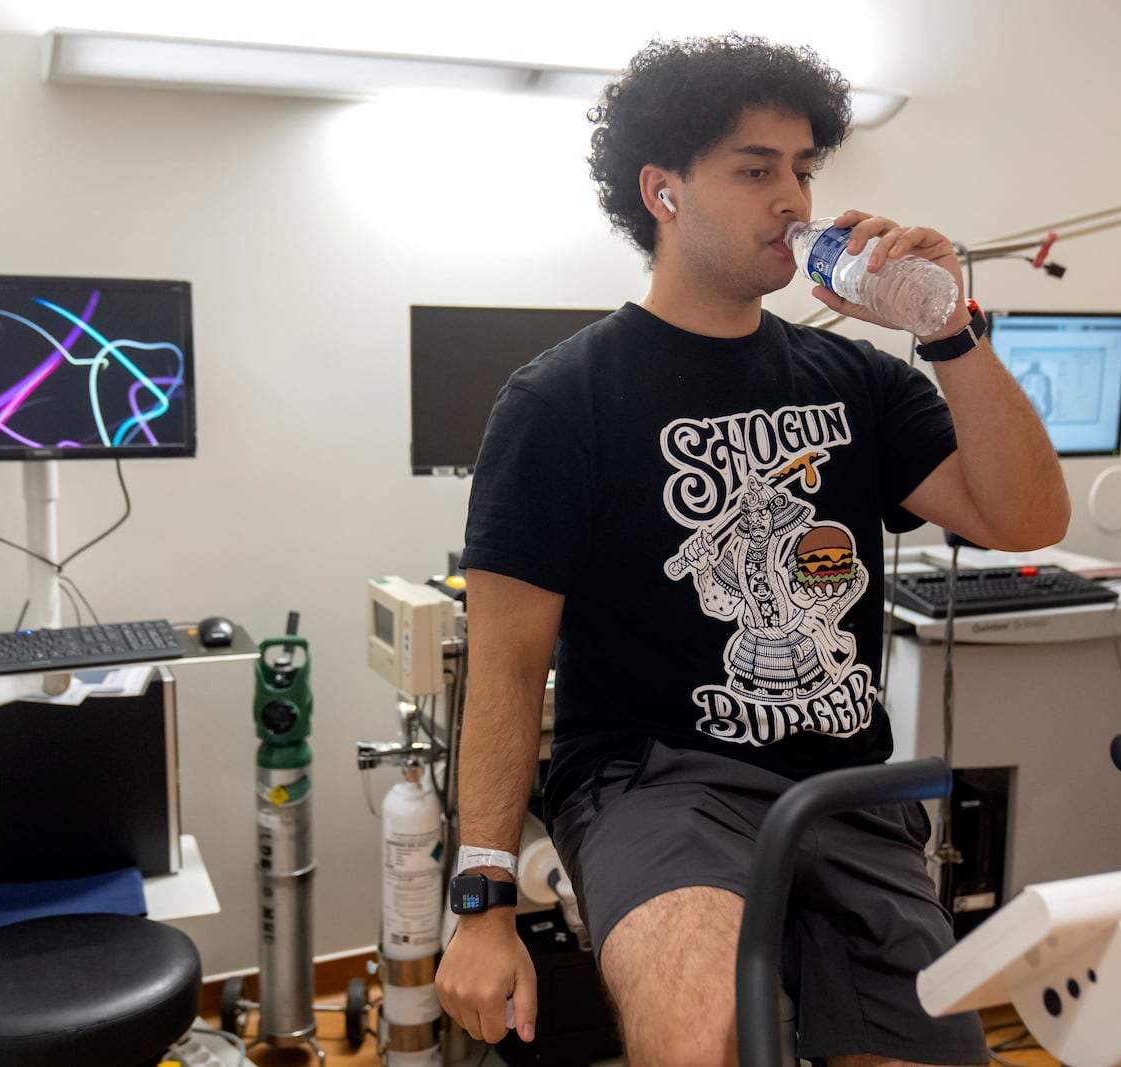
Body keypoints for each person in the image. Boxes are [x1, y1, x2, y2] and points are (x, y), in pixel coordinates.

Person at [435, 33, 1069, 1067]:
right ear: (664, 190)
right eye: (755, 167)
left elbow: (1026, 518)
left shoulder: (857, 380)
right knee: (705, 1032)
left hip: (844, 789)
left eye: (804, 168)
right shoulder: (559, 400)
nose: (792, 196)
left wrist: (950, 329)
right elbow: (506, 664)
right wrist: (483, 897)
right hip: (656, 783)